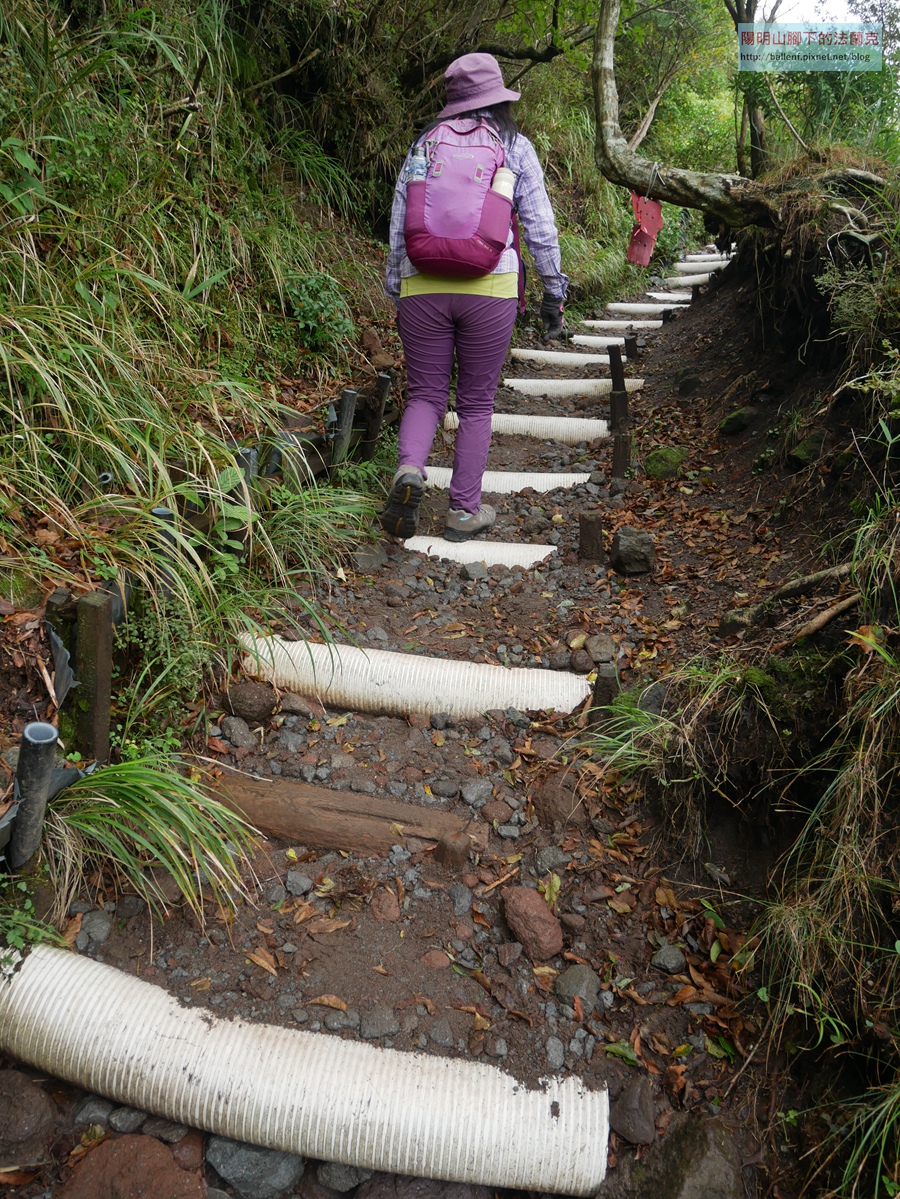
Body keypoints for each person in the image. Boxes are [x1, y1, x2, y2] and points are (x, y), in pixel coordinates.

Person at [380, 52, 568, 542]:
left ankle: (409, 470)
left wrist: (397, 287)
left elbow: (400, 220)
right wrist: (553, 291)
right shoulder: (514, 145)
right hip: (491, 286)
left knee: (425, 393)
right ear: (498, 97)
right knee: (477, 403)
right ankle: (463, 512)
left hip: (423, 282)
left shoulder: (425, 143)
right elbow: (540, 226)